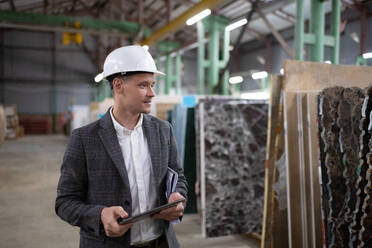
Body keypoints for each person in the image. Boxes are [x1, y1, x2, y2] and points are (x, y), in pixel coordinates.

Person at [55, 45, 188, 248]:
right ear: (118, 85)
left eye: (153, 84)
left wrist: (177, 196)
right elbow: (65, 203)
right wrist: (100, 215)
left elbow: (178, 176)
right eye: (143, 85)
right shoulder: (84, 139)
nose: (152, 93)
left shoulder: (163, 131)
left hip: (161, 243)